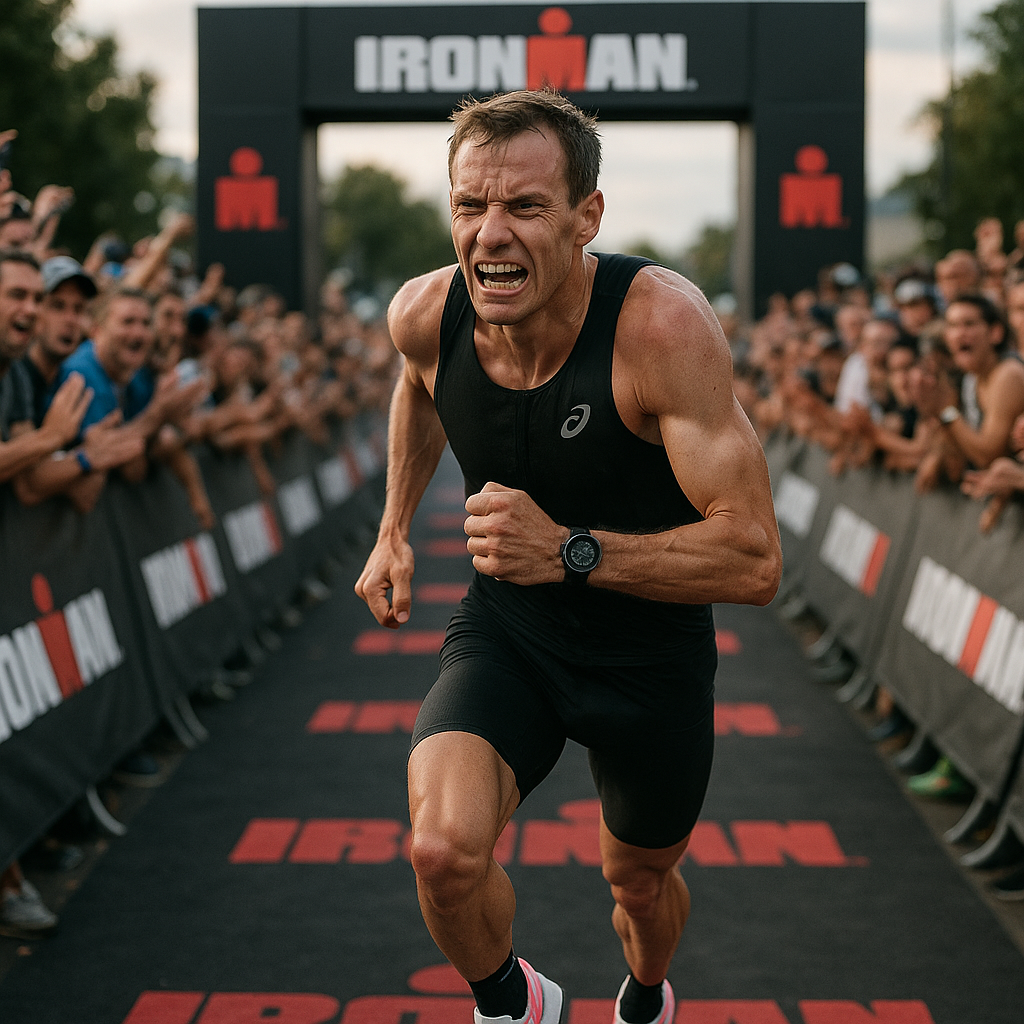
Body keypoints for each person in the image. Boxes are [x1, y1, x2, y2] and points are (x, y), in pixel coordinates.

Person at [355, 91, 781, 1024]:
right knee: (442, 854)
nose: (490, 235)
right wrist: (392, 528)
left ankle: (647, 995)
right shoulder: (427, 313)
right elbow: (420, 391)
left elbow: (753, 560)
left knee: (638, 892)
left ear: (588, 216)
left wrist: (570, 550)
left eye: (525, 207)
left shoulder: (658, 326)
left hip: (651, 661)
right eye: (470, 206)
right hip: (512, 633)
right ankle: (514, 1004)